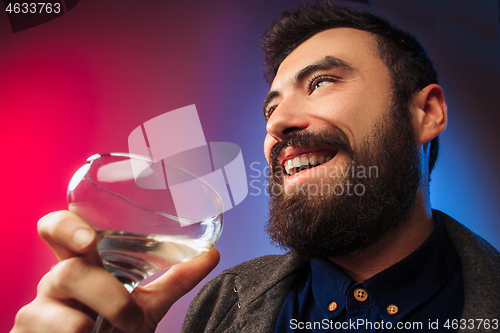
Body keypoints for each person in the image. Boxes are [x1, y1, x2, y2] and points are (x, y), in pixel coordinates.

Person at [11, 1, 500, 332]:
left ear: (426, 113)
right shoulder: (221, 305)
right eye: (270, 109)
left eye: (323, 82)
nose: (279, 124)